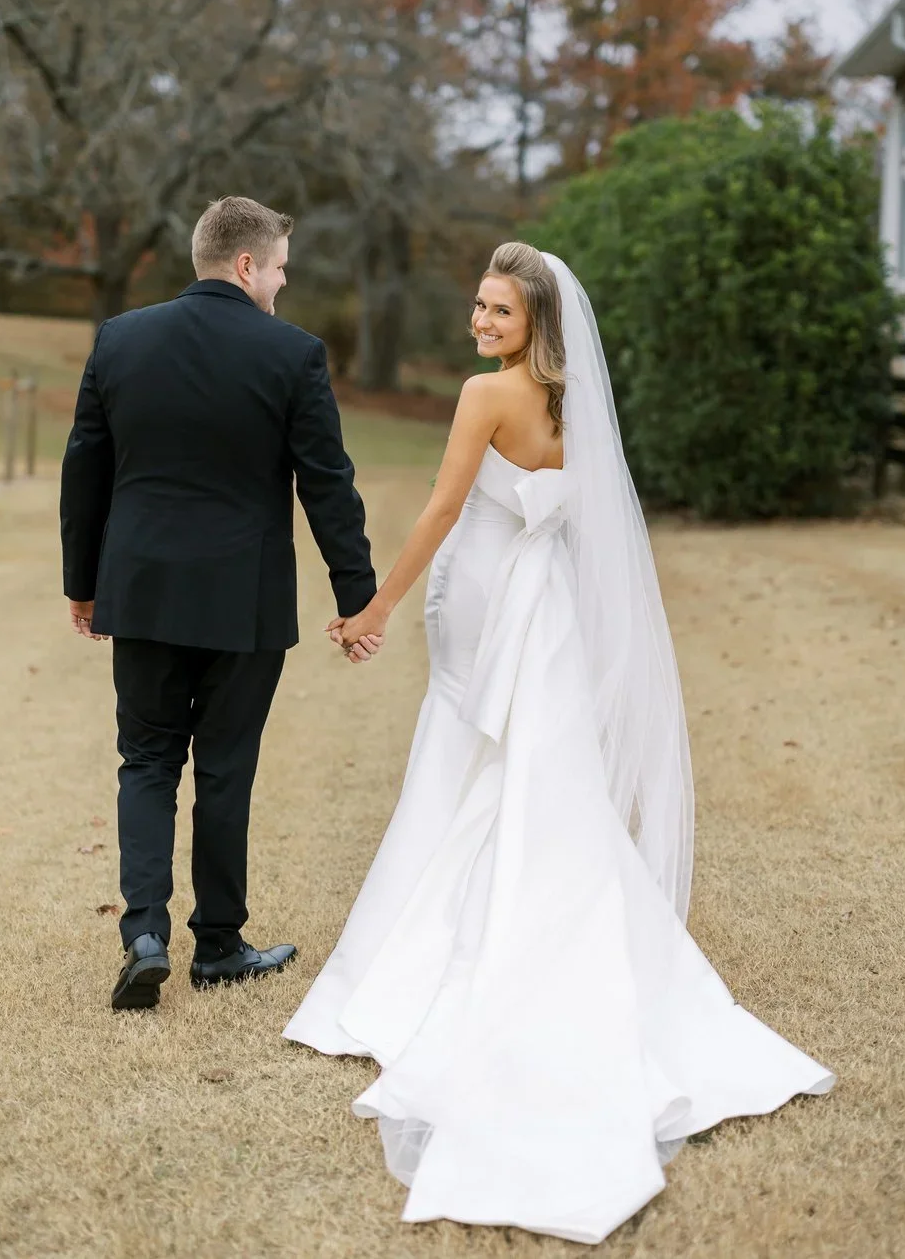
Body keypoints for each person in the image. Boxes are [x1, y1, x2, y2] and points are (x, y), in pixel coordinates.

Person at [286, 242, 835, 1245]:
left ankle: (449, 954)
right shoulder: (578, 400)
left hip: (487, 599)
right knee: (535, 773)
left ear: (534, 319)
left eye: (496, 311)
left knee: (472, 765)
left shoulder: (484, 396)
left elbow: (447, 507)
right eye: (477, 309)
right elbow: (592, 525)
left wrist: (372, 607)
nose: (478, 324)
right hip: (547, 616)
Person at [60, 196, 383, 1012]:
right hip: (244, 599)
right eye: (279, 266)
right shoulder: (293, 354)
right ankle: (219, 944)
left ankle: (143, 936)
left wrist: (83, 583)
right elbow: (328, 485)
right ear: (246, 265)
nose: (282, 280)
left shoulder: (120, 339)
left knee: (146, 759)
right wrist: (359, 599)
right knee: (226, 770)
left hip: (142, 591)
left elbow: (84, 470)